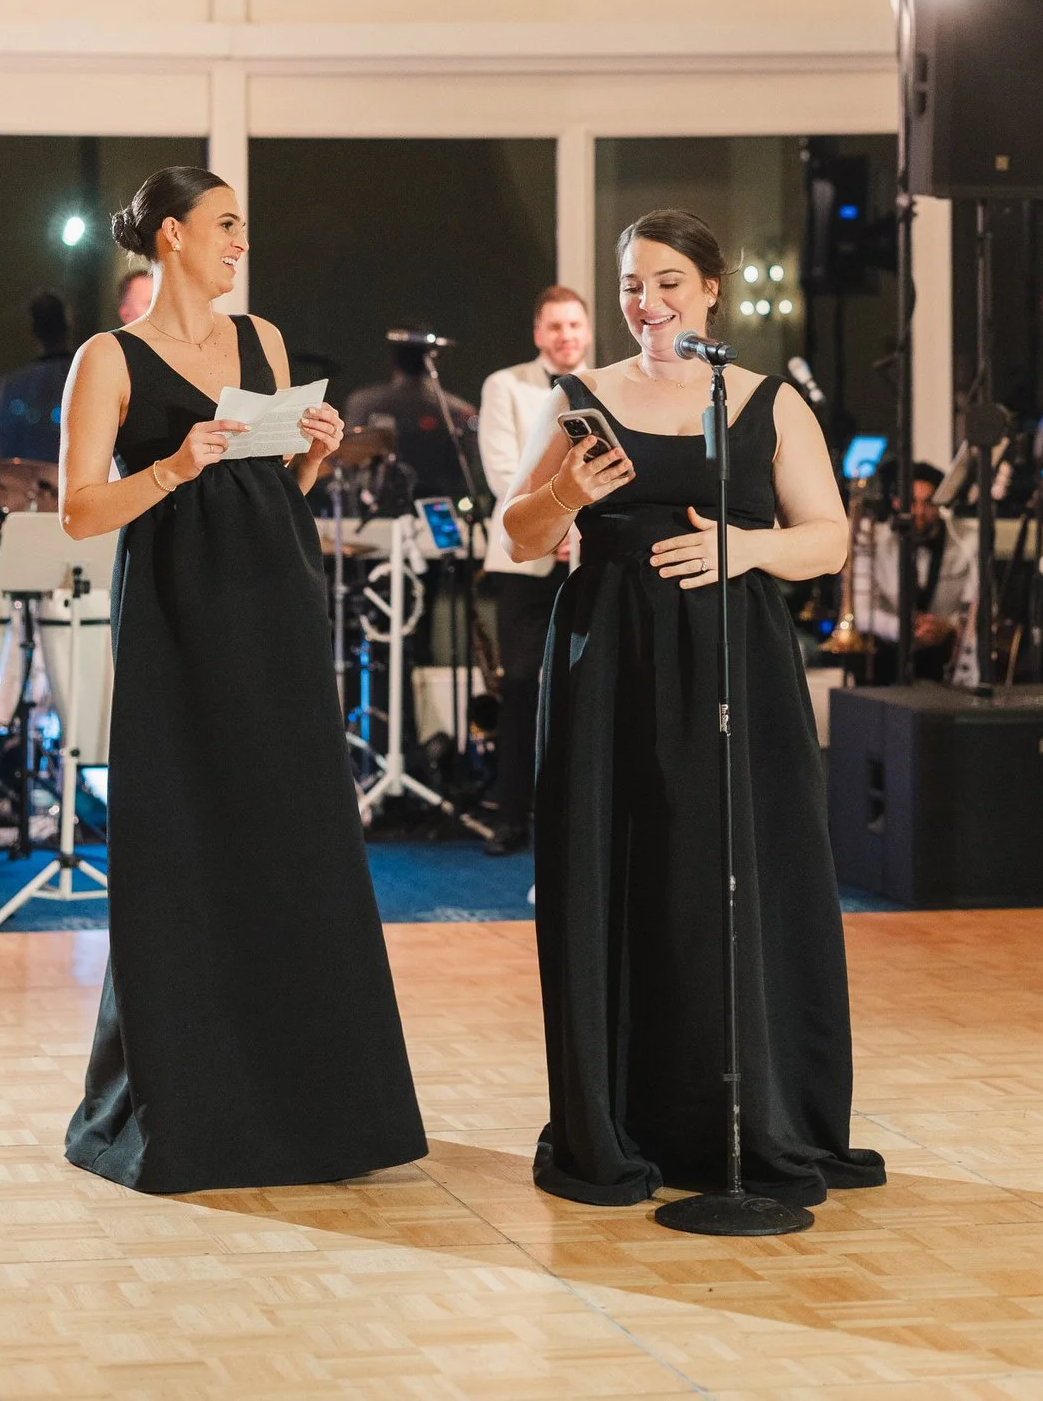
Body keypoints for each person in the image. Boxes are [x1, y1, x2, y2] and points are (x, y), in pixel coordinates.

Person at [502, 208, 885, 1210]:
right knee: (614, 873)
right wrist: (567, 497)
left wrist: (742, 547)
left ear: (712, 289)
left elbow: (827, 540)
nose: (647, 302)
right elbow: (517, 535)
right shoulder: (579, 396)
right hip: (606, 666)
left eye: (668, 281)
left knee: (728, 879)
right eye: (632, 283)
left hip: (733, 662)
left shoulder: (765, 402)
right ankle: (616, 1111)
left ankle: (750, 1111)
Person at [58, 165, 425, 1195]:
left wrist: (310, 455)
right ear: (170, 234)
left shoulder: (260, 339)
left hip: (277, 598)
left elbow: (275, 486)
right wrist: (175, 464)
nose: (240, 242)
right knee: (187, 838)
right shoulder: (109, 357)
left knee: (291, 836)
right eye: (225, 225)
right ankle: (193, 1095)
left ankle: (314, 1095)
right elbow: (82, 510)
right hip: (177, 615)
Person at [476, 285, 591, 857]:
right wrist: (555, 524)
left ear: (587, 331)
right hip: (523, 557)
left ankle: (577, 821)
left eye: (574, 325)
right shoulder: (505, 385)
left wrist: (580, 531)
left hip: (587, 557)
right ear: (538, 334)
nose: (566, 336)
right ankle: (511, 817)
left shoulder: (609, 383)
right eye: (555, 327)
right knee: (520, 687)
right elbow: (504, 475)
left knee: (585, 690)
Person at [868, 460, 978, 684]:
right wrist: (902, 630)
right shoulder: (874, 540)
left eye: (928, 503)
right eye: (912, 502)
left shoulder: (966, 542)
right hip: (887, 651)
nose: (919, 512)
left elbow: (979, 606)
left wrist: (946, 626)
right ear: (896, 501)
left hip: (942, 652)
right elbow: (862, 612)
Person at [346, 336, 479, 500]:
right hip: (442, 503)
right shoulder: (461, 410)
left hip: (380, 500)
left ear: (392, 361)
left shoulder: (363, 402)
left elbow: (347, 461)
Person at [0, 290, 74, 462]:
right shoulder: (86, 378)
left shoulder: (13, 385)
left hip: (29, 484)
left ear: (33, 329)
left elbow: (2, 453)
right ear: (67, 324)